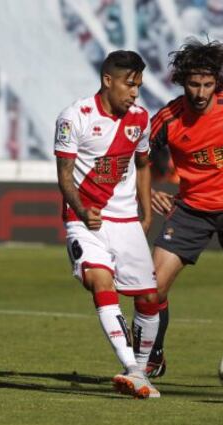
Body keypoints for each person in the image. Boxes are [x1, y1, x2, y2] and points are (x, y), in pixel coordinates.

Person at [146, 39, 223, 378]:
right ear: (182, 81)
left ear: (217, 82)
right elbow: (136, 155)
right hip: (190, 210)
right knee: (152, 288)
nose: (200, 92)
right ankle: (153, 355)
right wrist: (149, 189)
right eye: (193, 84)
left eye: (207, 84)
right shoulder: (168, 118)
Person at [55, 50, 160, 399]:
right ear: (107, 80)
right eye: (129, 85)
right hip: (85, 220)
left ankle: (141, 372)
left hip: (126, 219)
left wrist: (146, 213)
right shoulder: (75, 117)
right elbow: (65, 176)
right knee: (100, 281)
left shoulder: (140, 118)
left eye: (139, 86)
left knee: (149, 297)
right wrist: (82, 211)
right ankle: (131, 367)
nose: (134, 93)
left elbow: (143, 164)